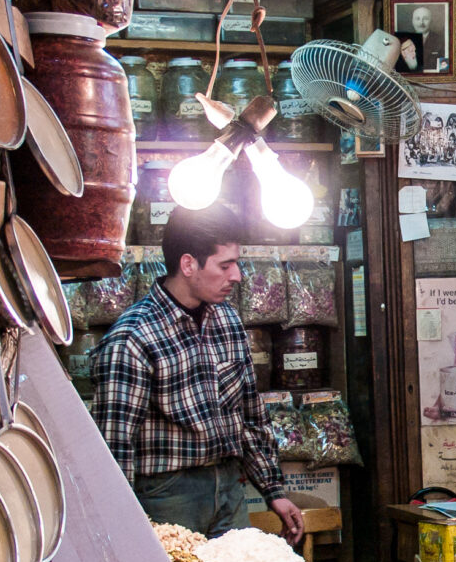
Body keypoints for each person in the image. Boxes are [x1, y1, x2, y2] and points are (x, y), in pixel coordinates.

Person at [91, 203, 305, 542]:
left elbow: (248, 414)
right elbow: (113, 449)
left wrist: (272, 489)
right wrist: (126, 530)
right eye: (226, 265)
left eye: (237, 262)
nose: (237, 275)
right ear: (188, 264)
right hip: (167, 495)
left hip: (228, 487)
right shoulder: (132, 339)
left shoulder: (228, 321)